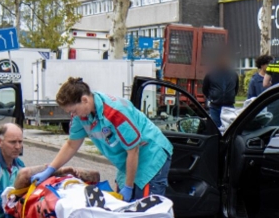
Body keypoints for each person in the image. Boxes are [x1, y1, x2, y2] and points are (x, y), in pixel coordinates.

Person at [31, 78, 173, 201]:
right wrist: (50, 169)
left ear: (84, 100)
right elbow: (71, 145)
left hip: (150, 155)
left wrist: (128, 187)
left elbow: (133, 150)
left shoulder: (114, 112)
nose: (73, 115)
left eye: (74, 110)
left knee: (146, 212)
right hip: (128, 160)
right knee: (123, 209)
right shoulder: (81, 115)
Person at [202, 56, 239, 126]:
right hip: (215, 107)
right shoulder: (211, 74)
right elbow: (205, 89)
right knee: (216, 128)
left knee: (229, 128)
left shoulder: (234, 75)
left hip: (229, 107)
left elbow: (236, 89)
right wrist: (212, 97)